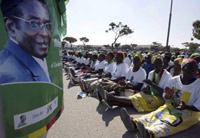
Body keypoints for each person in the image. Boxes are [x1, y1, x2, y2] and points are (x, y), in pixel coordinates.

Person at [120, 58, 200, 138]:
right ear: (182, 69)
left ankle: (150, 133)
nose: (193, 72)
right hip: (171, 106)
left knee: (171, 122)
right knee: (156, 114)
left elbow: (198, 106)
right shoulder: (174, 80)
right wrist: (168, 95)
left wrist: (186, 106)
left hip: (188, 112)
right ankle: (134, 123)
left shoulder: (198, 85)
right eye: (189, 70)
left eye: (194, 70)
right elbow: (166, 96)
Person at [0, 0, 52, 84]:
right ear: (11, 27)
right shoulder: (10, 76)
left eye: (48, 26)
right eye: (34, 24)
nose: (45, 34)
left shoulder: (34, 57)